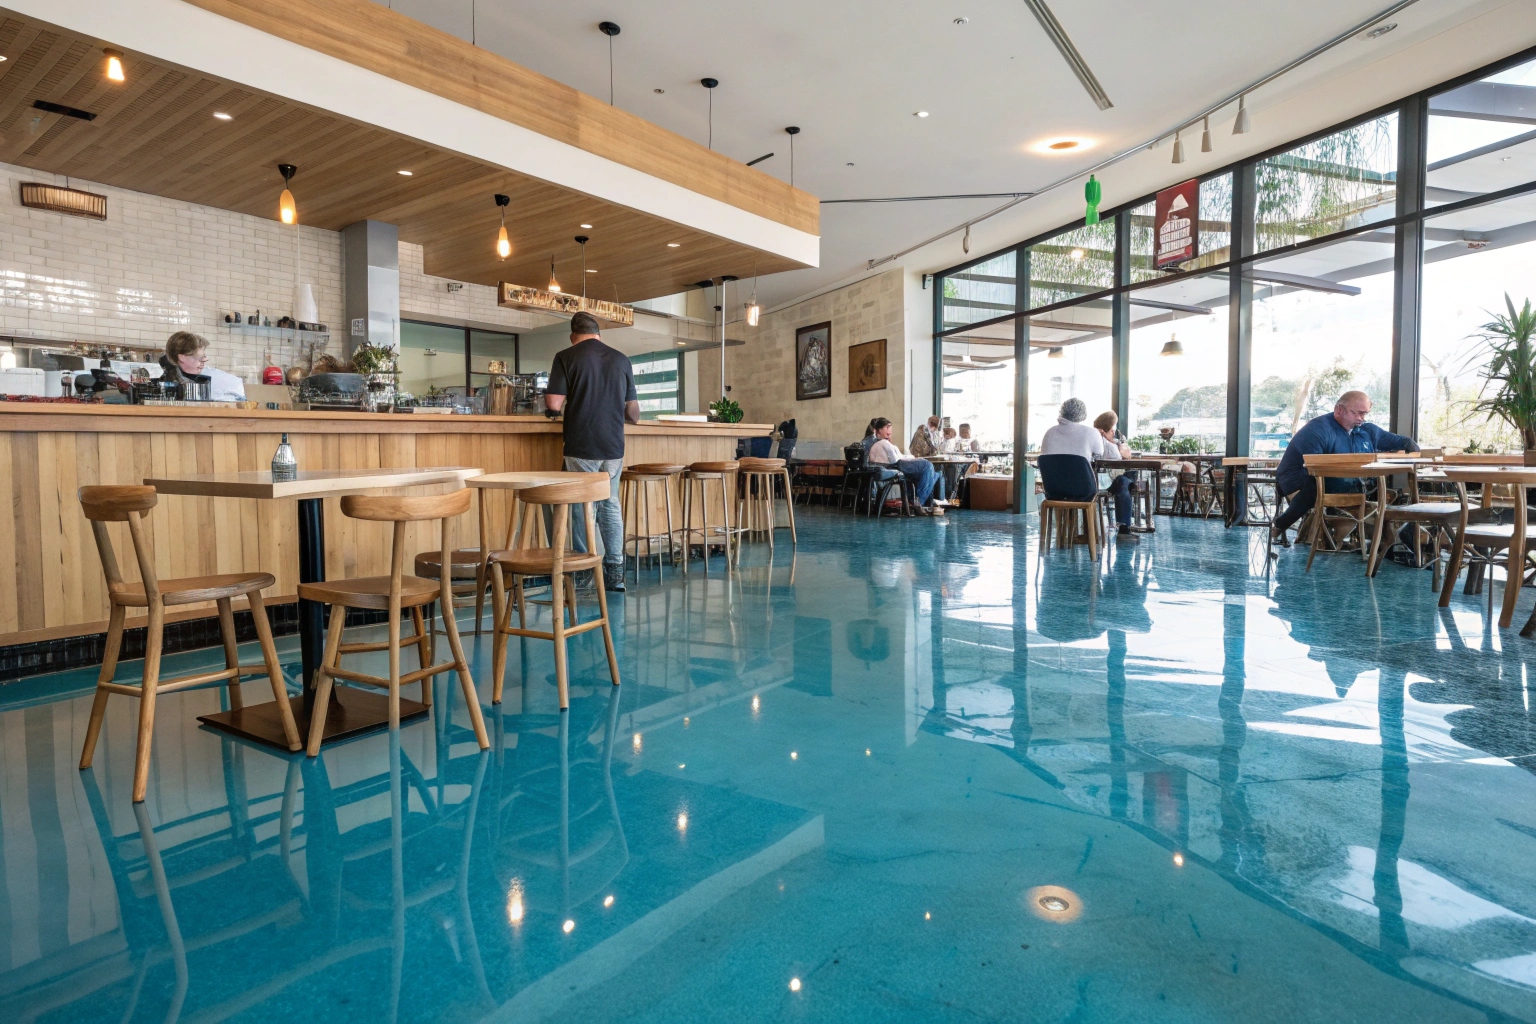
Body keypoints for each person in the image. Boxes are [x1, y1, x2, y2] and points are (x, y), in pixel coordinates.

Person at [544, 311, 641, 591]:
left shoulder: (566, 356)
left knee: (580, 506)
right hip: (613, 446)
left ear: (573, 336)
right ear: (599, 334)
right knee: (610, 504)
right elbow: (633, 412)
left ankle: (583, 571)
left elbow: (553, 403)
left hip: (582, 444)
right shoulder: (621, 359)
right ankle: (615, 573)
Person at [1270, 390, 1418, 547]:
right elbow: (1314, 467)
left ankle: (1387, 538)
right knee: (1319, 483)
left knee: (1379, 489)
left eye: (1365, 414)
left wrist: (1411, 445)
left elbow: (1399, 441)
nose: (1361, 419)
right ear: (1339, 410)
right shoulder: (1317, 430)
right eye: (1357, 413)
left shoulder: (1367, 430)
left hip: (1342, 482)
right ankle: (1283, 524)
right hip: (1299, 480)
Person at [865, 417, 945, 515]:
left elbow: (897, 456)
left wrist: (910, 457)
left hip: (894, 464)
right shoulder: (882, 442)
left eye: (890, 428)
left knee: (932, 473)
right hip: (894, 465)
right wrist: (912, 458)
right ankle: (920, 502)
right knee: (927, 466)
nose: (889, 431)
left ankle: (921, 502)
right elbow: (896, 459)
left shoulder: (882, 442)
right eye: (887, 428)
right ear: (879, 429)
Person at [1093, 410, 1139, 538]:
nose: (1114, 432)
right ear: (1104, 431)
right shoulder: (1110, 446)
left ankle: (1126, 523)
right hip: (1105, 482)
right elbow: (1121, 463)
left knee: (1125, 482)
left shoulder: (1093, 440)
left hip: (1094, 481)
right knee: (1125, 481)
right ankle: (1125, 526)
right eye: (1112, 429)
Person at [165, 331, 245, 401]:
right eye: (199, 358)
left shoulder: (215, 377)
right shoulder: (168, 382)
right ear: (182, 357)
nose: (204, 361)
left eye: (204, 356)